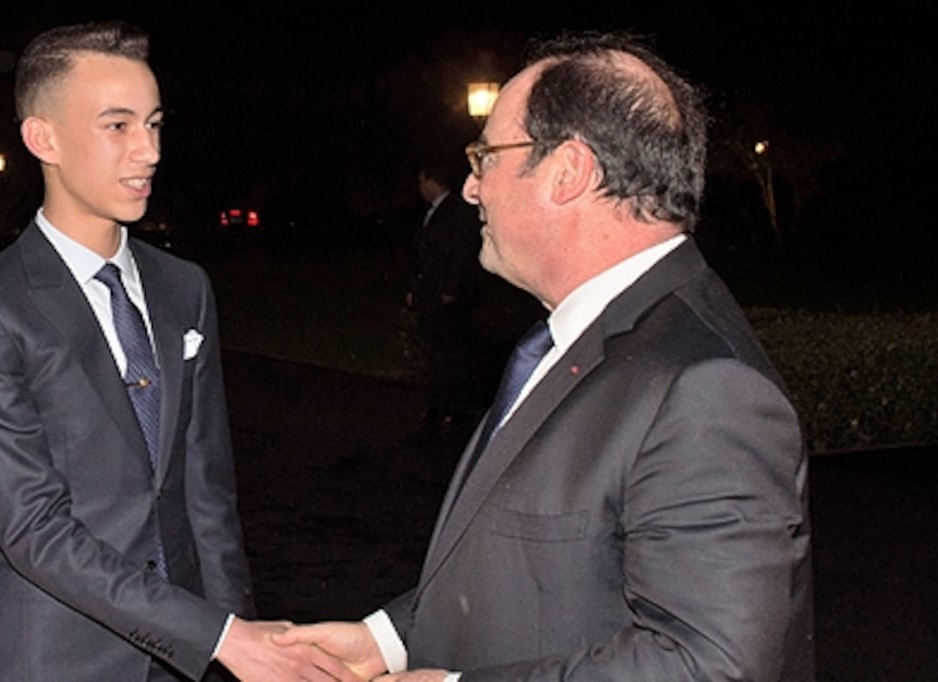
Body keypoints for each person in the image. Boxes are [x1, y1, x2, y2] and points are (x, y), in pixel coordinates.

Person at [277, 31, 814, 681]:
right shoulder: (576, 340)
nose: (472, 189)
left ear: (569, 172)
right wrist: (386, 641)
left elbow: (712, 665)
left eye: (487, 156)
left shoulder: (705, 386)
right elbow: (533, 565)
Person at [0, 20, 353, 682]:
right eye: (118, 126)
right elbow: (34, 532)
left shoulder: (184, 287)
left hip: (188, 663)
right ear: (43, 138)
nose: (149, 150)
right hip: (56, 661)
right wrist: (219, 636)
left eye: (154, 124)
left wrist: (235, 646)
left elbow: (207, 493)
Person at [406, 160, 485, 425]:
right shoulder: (432, 212)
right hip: (430, 291)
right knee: (435, 349)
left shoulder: (455, 212)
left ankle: (454, 406)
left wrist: (451, 288)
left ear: (431, 181)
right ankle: (439, 402)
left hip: (447, 295)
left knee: (450, 350)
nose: (419, 188)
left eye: (421, 181)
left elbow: (460, 253)